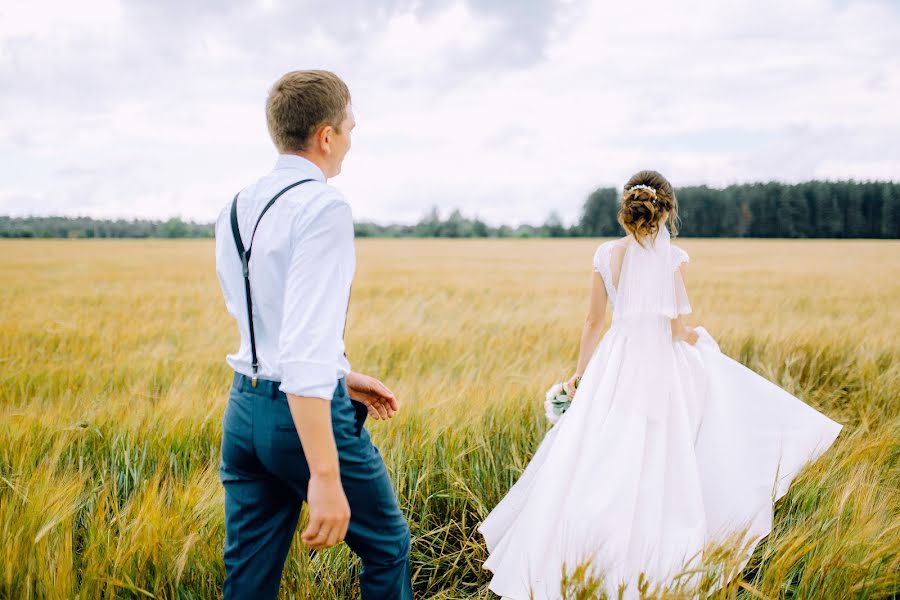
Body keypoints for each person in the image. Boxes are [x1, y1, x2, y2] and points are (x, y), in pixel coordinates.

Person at [478, 170, 843, 599]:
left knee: (597, 452)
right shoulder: (674, 259)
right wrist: (697, 338)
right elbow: (675, 328)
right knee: (665, 451)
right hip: (661, 368)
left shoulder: (605, 255)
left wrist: (580, 374)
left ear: (627, 209)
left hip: (615, 362)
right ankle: (652, 555)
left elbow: (594, 321)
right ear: (666, 210)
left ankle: (574, 552)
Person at [214, 70, 413, 600]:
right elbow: (301, 351)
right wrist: (323, 476)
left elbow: (264, 324)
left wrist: (342, 375)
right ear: (326, 136)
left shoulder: (236, 206)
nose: (351, 140)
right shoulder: (324, 207)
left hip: (243, 413)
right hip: (302, 416)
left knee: (249, 580)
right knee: (388, 546)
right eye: (350, 127)